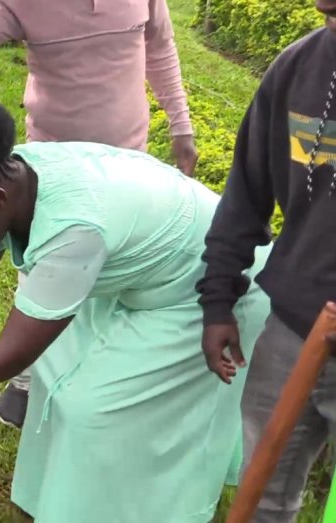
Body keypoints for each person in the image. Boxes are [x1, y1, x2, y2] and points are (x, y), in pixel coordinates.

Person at [0, 87, 271, 522]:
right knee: (54, 381)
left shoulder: (72, 228)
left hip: (211, 290)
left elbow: (11, 354)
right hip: (139, 274)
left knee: (93, 412)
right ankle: (53, 505)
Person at [0, 0, 199, 427]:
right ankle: (27, 379)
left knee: (113, 271)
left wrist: (180, 125)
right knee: (46, 261)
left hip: (126, 160)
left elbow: (160, 47)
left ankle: (92, 372)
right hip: (54, 172)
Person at [196, 6, 336, 520]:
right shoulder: (297, 68)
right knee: (264, 498)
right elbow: (245, 192)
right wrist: (217, 301)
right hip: (293, 334)